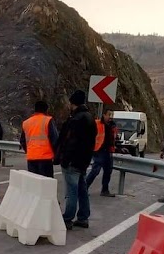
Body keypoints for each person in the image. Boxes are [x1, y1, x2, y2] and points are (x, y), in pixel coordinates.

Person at [56, 90, 97, 230]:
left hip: (72, 161)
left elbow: (70, 142)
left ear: (73, 103)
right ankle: (83, 217)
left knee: (71, 191)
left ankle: (68, 218)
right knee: (82, 189)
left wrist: (65, 159)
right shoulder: (90, 119)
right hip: (84, 161)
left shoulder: (75, 120)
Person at [20, 100, 59, 177]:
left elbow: (22, 141)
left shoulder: (26, 122)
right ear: (46, 110)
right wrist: (57, 156)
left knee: (35, 183)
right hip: (45, 158)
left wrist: (29, 150)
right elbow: (54, 140)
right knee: (46, 183)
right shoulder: (48, 120)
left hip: (31, 158)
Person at [86, 108, 117, 196]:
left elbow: (113, 139)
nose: (110, 117)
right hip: (99, 150)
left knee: (108, 171)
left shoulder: (113, 126)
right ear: (104, 115)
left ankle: (105, 190)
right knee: (95, 170)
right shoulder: (97, 123)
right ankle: (84, 187)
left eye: (112, 115)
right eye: (109, 115)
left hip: (108, 151)